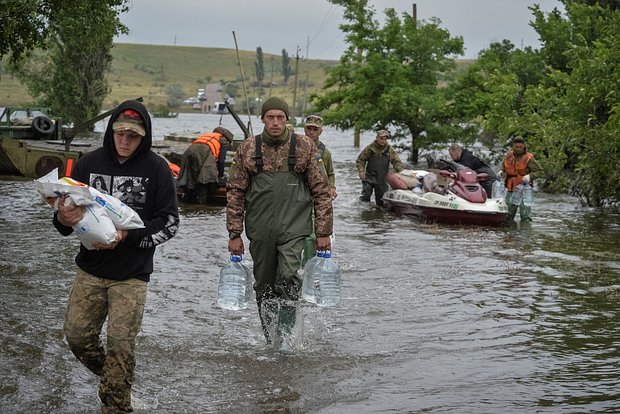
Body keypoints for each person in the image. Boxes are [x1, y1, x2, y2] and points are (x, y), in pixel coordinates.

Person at [53, 100, 179, 413]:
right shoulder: (88, 163)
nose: (124, 141)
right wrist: (63, 218)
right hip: (90, 270)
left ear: (144, 136)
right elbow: (63, 221)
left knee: (121, 345)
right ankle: (116, 379)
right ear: (111, 131)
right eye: (119, 133)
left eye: (132, 136)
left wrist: (127, 235)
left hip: (132, 274)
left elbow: (170, 224)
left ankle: (116, 405)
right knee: (77, 337)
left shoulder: (157, 169)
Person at [226, 97, 333, 349]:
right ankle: (269, 338)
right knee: (263, 284)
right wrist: (234, 233)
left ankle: (285, 338)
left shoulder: (305, 146)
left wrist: (323, 232)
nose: (275, 122)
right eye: (270, 117)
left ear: (287, 119)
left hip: (294, 228)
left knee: (288, 276)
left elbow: (322, 191)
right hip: (260, 230)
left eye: (280, 117)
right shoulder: (248, 148)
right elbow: (235, 192)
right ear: (263, 119)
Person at [176, 126, 234, 203]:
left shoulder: (208, 135)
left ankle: (186, 205)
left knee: (189, 181)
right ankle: (201, 206)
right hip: (204, 153)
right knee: (205, 182)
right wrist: (220, 175)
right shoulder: (224, 140)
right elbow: (221, 160)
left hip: (189, 152)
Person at [356, 129, 404, 206]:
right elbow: (360, 160)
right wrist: (361, 171)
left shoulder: (389, 150)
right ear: (377, 138)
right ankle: (364, 213)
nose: (383, 141)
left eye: (385, 139)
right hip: (369, 177)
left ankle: (378, 215)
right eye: (381, 139)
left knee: (381, 202)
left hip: (382, 179)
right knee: (365, 196)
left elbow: (397, 162)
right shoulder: (369, 148)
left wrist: (401, 172)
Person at [500, 136, 543, 222]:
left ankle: (525, 232)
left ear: (524, 146)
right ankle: (509, 233)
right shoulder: (508, 156)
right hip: (511, 189)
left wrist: (529, 176)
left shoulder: (529, 158)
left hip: (524, 189)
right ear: (513, 146)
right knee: (507, 215)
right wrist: (501, 171)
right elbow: (504, 168)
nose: (518, 149)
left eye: (520, 147)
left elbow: (540, 171)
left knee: (525, 215)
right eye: (516, 147)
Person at [304, 114, 337, 199]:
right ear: (304, 129)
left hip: (318, 193)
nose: (311, 132)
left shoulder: (325, 153)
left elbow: (330, 173)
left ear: (320, 131)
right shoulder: (295, 146)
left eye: (315, 129)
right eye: (309, 129)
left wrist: (332, 187)